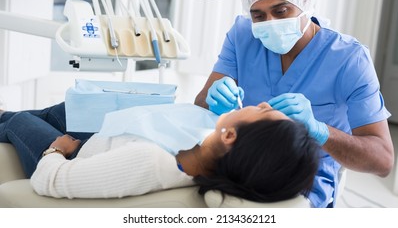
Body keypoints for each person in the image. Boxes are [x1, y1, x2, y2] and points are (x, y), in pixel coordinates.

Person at [194, 0, 395, 208]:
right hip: (242, 159)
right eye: (258, 15)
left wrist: (319, 130)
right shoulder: (242, 35)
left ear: (306, 0)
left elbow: (383, 161)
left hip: (304, 174)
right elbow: (201, 104)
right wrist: (214, 99)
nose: (270, 23)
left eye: (281, 11)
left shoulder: (348, 59)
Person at [0, 102, 319, 203]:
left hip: (73, 158)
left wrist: (56, 150)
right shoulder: (207, 162)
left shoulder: (150, 162)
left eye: (264, 112)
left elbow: (50, 180)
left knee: (20, 121)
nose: (262, 103)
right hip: (105, 141)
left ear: (231, 135)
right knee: (62, 111)